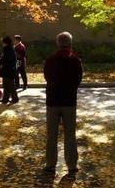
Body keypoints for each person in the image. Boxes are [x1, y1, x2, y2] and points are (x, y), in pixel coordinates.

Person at [43, 32, 83, 174]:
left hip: (52, 101)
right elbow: (78, 79)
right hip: (69, 101)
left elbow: (47, 77)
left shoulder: (50, 60)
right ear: (70, 44)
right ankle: (71, 165)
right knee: (70, 134)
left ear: (57, 44)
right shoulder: (75, 60)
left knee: (51, 134)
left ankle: (50, 164)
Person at [0, 36, 19, 104]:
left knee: (10, 86)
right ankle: (6, 99)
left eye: (3, 43)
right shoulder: (9, 49)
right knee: (7, 85)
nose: (2, 44)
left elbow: (6, 60)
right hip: (9, 70)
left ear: (6, 43)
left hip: (9, 70)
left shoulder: (8, 50)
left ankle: (14, 98)